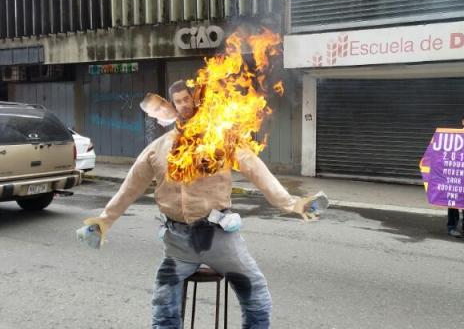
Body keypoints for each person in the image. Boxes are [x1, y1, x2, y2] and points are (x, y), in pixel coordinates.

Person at [80, 80, 323, 329]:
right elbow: (129, 188)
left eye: (187, 99)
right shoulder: (158, 148)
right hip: (178, 243)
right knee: (163, 302)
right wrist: (103, 221)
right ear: (172, 106)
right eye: (178, 101)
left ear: (196, 100)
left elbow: (257, 171)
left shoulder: (220, 139)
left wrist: (294, 204)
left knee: (255, 292)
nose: (184, 105)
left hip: (219, 240)